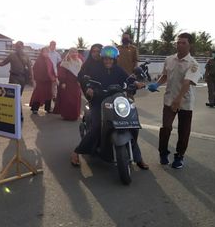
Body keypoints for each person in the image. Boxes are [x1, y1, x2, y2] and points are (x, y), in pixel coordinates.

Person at [70, 46, 149, 169]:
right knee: (97, 126)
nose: (108, 61)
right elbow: (88, 81)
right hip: (98, 101)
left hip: (117, 101)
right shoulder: (96, 69)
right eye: (106, 59)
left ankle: (137, 157)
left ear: (114, 60)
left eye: (110, 59)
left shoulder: (118, 70)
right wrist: (89, 88)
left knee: (131, 124)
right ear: (102, 59)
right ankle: (77, 152)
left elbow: (128, 80)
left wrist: (136, 83)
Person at [148, 33, 201, 169]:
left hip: (185, 101)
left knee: (184, 131)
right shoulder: (169, 59)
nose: (179, 45)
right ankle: (163, 153)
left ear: (190, 45)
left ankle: (179, 156)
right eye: (178, 42)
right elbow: (165, 76)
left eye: (183, 43)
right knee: (166, 127)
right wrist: (157, 84)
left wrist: (178, 100)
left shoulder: (193, 64)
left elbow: (187, 82)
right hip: (169, 99)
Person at [53, 48, 82, 121]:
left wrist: (81, 80)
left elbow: (82, 73)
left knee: (76, 99)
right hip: (68, 84)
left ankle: (75, 115)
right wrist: (63, 82)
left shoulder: (79, 62)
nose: (74, 54)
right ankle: (67, 115)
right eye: (72, 52)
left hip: (76, 84)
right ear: (69, 53)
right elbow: (62, 73)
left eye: (76, 52)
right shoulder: (65, 62)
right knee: (68, 100)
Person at [30, 47, 56, 114]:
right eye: (45, 52)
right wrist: (35, 79)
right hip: (40, 81)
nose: (46, 53)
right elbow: (35, 70)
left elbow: (52, 69)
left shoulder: (49, 60)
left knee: (48, 94)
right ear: (42, 52)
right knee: (38, 94)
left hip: (48, 81)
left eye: (47, 52)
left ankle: (47, 108)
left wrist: (54, 77)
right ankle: (34, 108)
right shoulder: (39, 60)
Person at [47, 40, 62, 112]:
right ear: (50, 45)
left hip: (54, 74)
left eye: (54, 45)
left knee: (54, 91)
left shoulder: (57, 54)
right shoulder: (46, 53)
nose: (53, 46)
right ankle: (48, 107)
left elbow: (60, 63)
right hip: (46, 74)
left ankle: (55, 108)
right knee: (47, 90)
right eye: (52, 44)